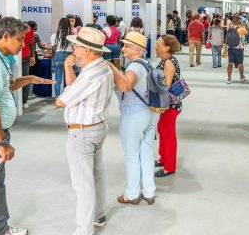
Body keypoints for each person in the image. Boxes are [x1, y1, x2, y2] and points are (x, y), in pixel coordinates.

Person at [0, 17, 55, 235]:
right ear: (5, 36)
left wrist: (29, 79)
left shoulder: (1, 58)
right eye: (20, 40)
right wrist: (1, 141)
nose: (23, 44)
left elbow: (7, 85)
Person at [55, 27, 114, 234]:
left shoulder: (90, 75)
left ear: (88, 50)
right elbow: (76, 92)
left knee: (83, 184)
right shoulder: (103, 67)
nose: (73, 49)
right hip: (96, 128)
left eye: (77, 46)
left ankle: (84, 230)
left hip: (82, 133)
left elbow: (61, 101)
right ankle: (99, 215)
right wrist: (69, 69)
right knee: (97, 174)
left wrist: (67, 78)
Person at [108, 31, 158, 205]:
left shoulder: (134, 66)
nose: (123, 49)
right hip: (151, 113)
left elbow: (127, 85)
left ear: (138, 49)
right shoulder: (148, 64)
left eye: (127, 46)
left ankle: (132, 194)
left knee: (131, 155)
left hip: (135, 114)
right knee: (146, 152)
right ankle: (149, 191)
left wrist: (112, 68)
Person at [154, 35, 182, 177]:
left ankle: (169, 166)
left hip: (168, 105)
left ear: (166, 48)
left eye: (158, 43)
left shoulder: (168, 63)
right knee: (162, 130)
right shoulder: (166, 60)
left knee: (168, 134)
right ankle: (163, 158)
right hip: (166, 104)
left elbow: (166, 85)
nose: (155, 45)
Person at [51, 17, 73, 97]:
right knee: (68, 79)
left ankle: (58, 98)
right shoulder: (71, 35)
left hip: (58, 56)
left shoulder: (55, 35)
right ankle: (68, 98)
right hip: (69, 56)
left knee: (58, 80)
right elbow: (74, 48)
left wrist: (53, 59)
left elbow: (53, 49)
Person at [225, 15, 248, 84]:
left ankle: (229, 78)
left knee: (230, 63)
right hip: (239, 48)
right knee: (240, 63)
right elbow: (246, 33)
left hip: (230, 48)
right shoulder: (241, 28)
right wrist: (242, 25)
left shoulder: (229, 27)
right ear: (238, 21)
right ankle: (241, 76)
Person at [21, 20, 36, 109]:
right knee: (25, 78)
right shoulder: (29, 29)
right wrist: (33, 56)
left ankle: (22, 101)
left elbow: (31, 43)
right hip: (25, 56)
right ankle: (24, 101)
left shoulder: (11, 28)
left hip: (17, 56)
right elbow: (32, 43)